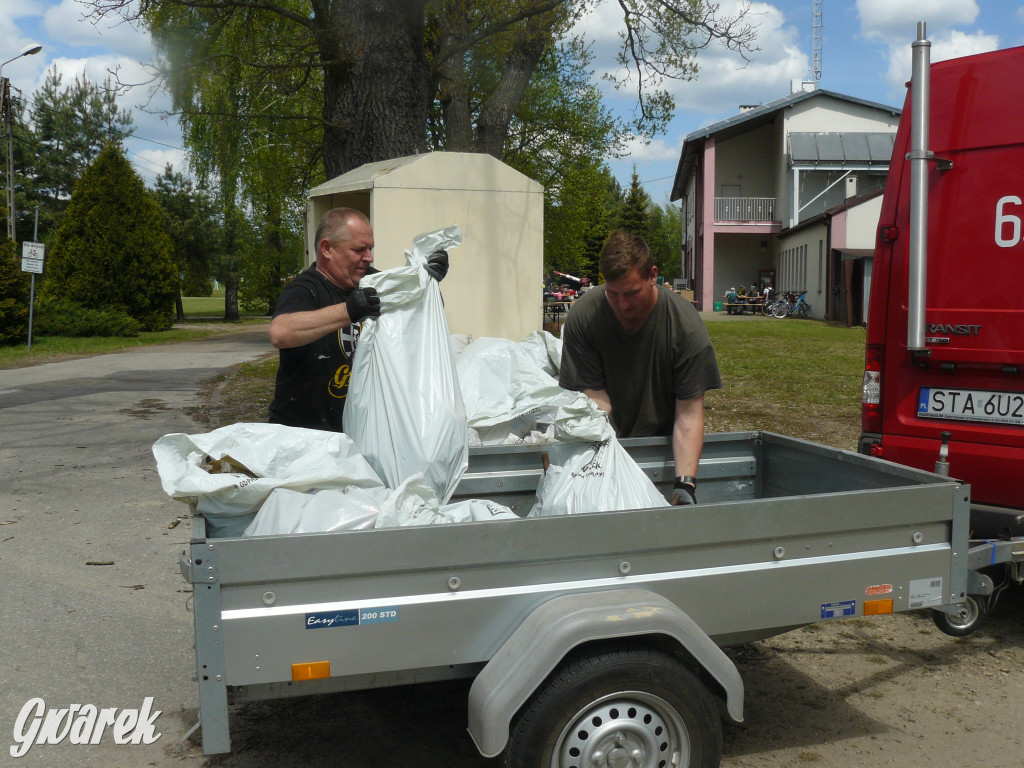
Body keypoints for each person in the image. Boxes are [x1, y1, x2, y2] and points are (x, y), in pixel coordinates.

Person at [558, 230, 722, 506]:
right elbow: (597, 403)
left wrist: (685, 484)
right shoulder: (585, 316)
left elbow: (689, 415)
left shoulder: (685, 326)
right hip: (608, 445)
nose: (622, 304)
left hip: (663, 446)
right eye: (612, 294)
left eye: (632, 293)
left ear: (652, 275)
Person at [267, 207, 449, 431]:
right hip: (305, 436)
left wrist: (429, 281)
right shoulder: (306, 289)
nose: (369, 257)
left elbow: (422, 314)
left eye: (370, 249)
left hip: (363, 434)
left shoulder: (375, 281)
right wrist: (348, 311)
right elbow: (280, 333)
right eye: (359, 250)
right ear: (327, 249)